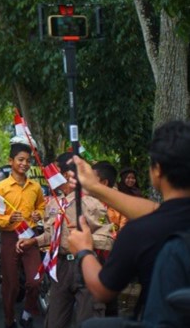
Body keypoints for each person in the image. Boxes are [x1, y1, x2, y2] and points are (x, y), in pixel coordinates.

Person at [68, 120, 190, 327]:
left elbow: (102, 290)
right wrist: (95, 188)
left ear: (157, 170)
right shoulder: (160, 219)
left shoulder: (140, 232)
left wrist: (84, 251)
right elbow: (155, 210)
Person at [16, 153, 112, 328]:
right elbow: (51, 235)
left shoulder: (91, 203)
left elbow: (107, 237)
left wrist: (87, 240)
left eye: (61, 175)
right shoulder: (53, 205)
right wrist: (33, 241)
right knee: (55, 319)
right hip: (59, 267)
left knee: (88, 318)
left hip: (84, 264)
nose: (57, 180)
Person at [0, 142, 45, 328]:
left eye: (28, 161)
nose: (24, 164)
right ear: (11, 161)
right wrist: (9, 218)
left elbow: (41, 207)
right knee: (11, 285)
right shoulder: (0, 188)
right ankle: (9, 320)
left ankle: (28, 312)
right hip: (9, 237)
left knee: (35, 281)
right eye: (20, 160)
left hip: (30, 237)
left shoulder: (35, 187)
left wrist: (40, 214)